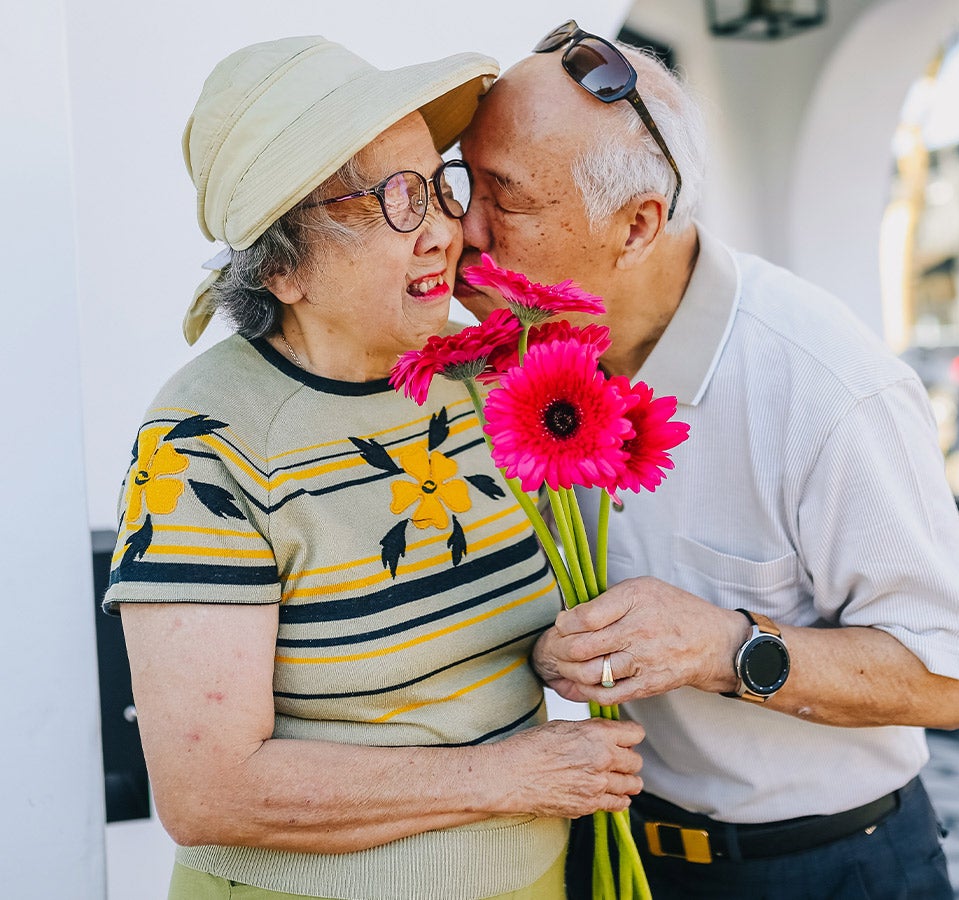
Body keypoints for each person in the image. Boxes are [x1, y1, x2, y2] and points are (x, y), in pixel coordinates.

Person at [454, 20, 959, 899]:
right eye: (461, 182)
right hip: (610, 859)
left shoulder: (825, 384)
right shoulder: (497, 362)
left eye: (504, 199)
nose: (464, 232)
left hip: (828, 869)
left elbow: (952, 676)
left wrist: (725, 648)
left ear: (636, 226)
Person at [103, 35, 646, 900]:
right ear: (281, 265)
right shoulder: (205, 438)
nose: (442, 229)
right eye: (395, 200)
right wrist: (502, 779)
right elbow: (208, 792)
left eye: (437, 183)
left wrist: (568, 650)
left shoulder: (483, 377)